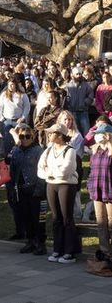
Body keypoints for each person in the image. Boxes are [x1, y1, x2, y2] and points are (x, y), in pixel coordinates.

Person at [37, 123, 79, 264]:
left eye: (52, 133)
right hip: (51, 186)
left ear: (60, 135)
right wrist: (51, 173)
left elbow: (65, 171)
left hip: (66, 186)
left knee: (67, 217)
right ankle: (57, 249)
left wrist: (50, 171)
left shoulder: (70, 151)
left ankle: (69, 251)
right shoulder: (48, 150)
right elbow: (40, 169)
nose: (49, 135)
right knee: (56, 218)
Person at [8, 124, 46, 255]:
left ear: (32, 137)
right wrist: (12, 186)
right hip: (21, 189)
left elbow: (43, 171)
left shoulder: (38, 151)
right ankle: (30, 241)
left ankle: (40, 243)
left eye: (27, 136)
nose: (24, 139)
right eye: (22, 136)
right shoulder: (16, 151)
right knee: (26, 217)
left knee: (38, 219)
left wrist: (39, 189)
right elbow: (12, 169)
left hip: (35, 188)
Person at [87, 124, 112, 257]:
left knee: (111, 222)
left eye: (99, 134)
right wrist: (90, 186)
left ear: (107, 135)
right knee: (101, 223)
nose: (97, 137)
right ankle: (104, 252)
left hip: (110, 191)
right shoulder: (95, 151)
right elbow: (91, 171)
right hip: (97, 192)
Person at [0, 78, 30, 155]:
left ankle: (20, 155)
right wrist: (1, 117)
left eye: (12, 85)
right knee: (7, 140)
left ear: (15, 85)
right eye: (9, 85)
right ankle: (7, 157)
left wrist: (22, 117)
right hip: (7, 120)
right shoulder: (4, 95)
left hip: (18, 120)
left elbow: (27, 107)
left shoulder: (22, 95)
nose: (11, 86)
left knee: (19, 139)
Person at [65, 67, 94, 136]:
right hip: (72, 112)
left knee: (86, 132)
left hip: (83, 112)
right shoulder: (68, 86)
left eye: (80, 74)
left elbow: (90, 95)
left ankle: (86, 145)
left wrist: (85, 102)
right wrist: (69, 102)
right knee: (74, 132)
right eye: (77, 74)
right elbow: (65, 97)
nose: (79, 76)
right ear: (73, 75)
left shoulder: (86, 85)